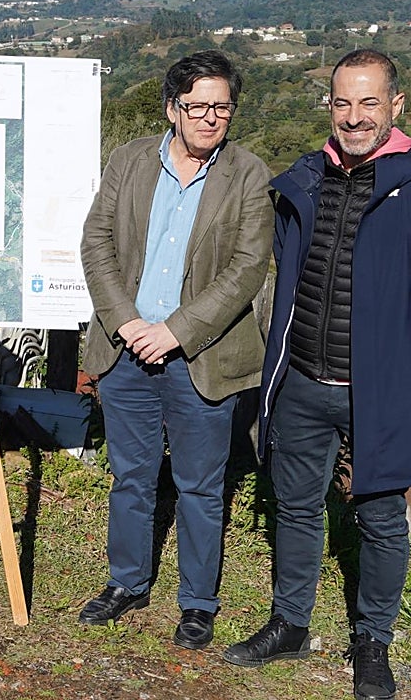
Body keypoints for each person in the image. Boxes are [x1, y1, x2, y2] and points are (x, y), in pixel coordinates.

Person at [224, 49, 410, 700]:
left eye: (369, 102)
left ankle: (374, 642)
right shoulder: (306, 179)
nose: (354, 117)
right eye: (343, 102)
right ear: (329, 105)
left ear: (395, 105)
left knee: (382, 520)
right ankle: (291, 624)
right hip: (302, 378)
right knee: (298, 506)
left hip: (381, 391)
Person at [79, 50, 273, 650]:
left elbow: (247, 269)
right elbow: (97, 243)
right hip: (126, 351)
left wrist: (177, 331)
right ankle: (126, 582)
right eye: (197, 106)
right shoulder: (129, 160)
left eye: (222, 107)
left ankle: (197, 603)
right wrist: (127, 322)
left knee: (200, 487)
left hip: (200, 357)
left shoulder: (248, 174)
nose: (210, 118)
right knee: (130, 477)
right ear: (172, 108)